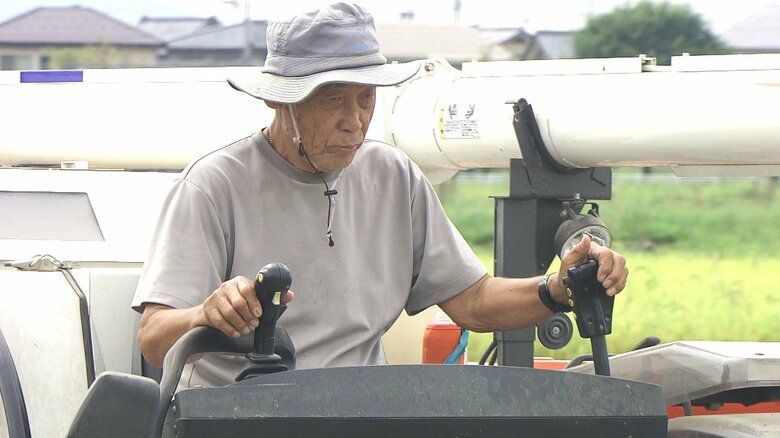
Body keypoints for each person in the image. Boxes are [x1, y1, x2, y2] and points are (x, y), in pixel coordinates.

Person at [132, 2, 628, 388]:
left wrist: (558, 288)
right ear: (277, 98)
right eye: (333, 100)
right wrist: (205, 313)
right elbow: (155, 341)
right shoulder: (212, 187)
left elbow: (473, 300)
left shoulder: (393, 177)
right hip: (235, 421)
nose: (355, 120)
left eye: (366, 98)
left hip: (359, 416)